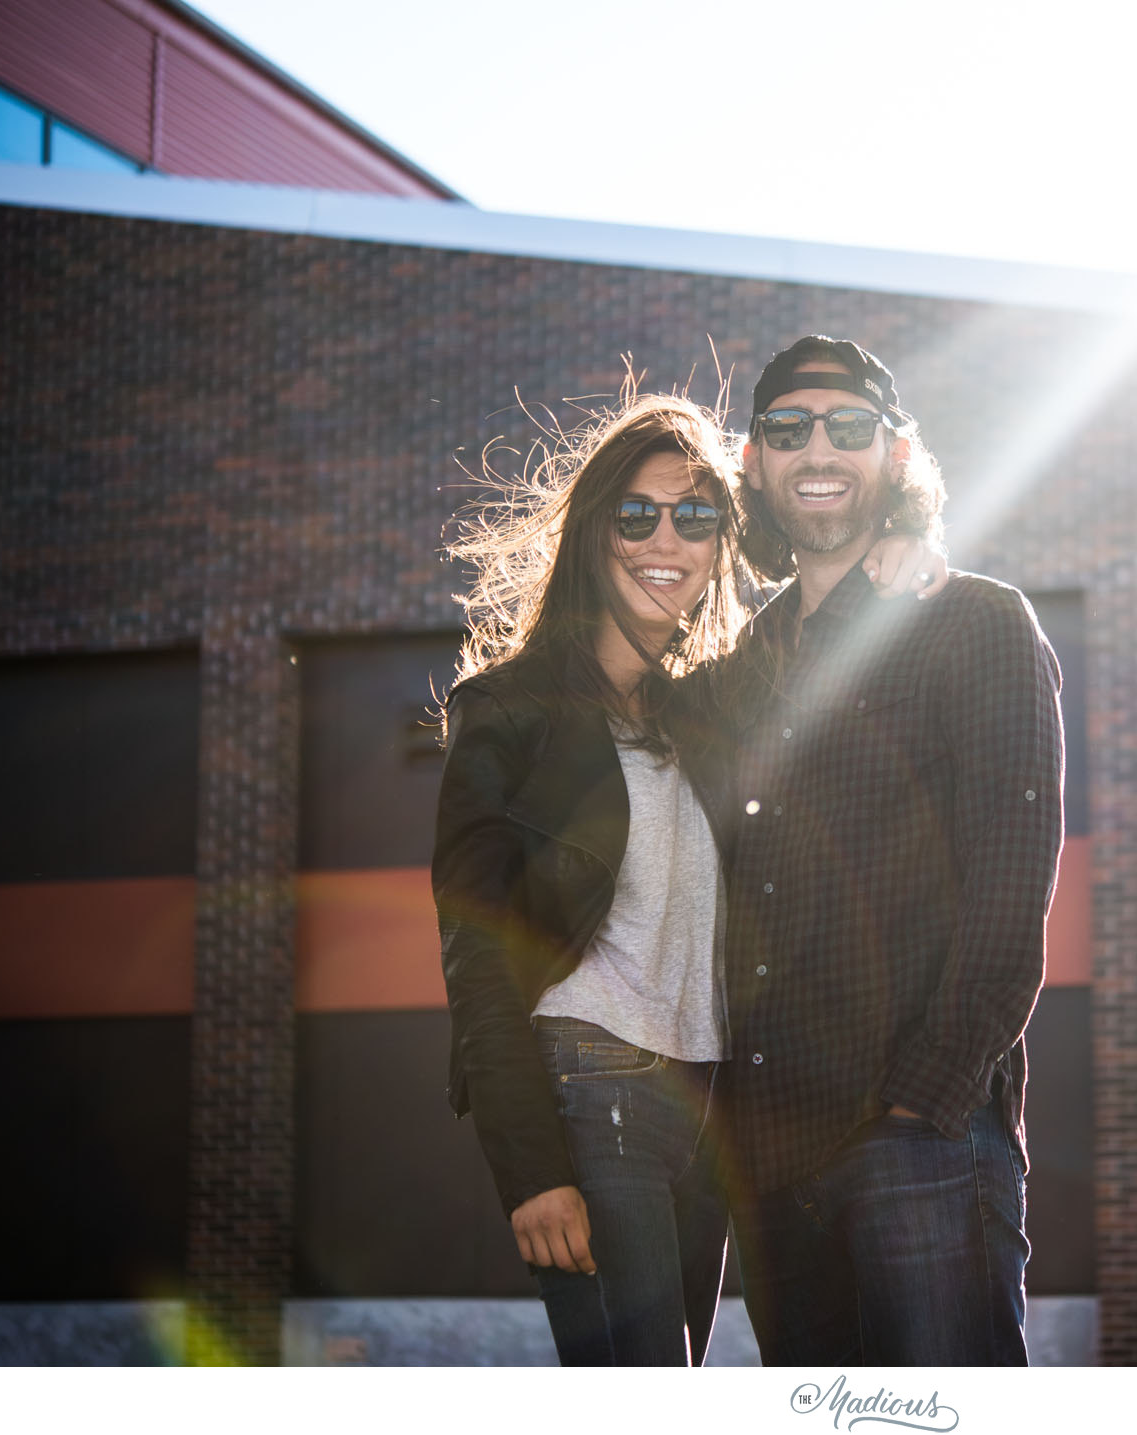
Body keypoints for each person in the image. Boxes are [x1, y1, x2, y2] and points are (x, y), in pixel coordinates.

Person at [431, 385, 943, 1365]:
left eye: (696, 517)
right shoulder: (510, 712)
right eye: (636, 513)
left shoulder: (704, 715)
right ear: (593, 534)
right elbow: (480, 957)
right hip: (595, 1093)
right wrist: (531, 1173)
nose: (665, 537)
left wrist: (905, 539)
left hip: (706, 1117)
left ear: (718, 547)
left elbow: (827, 631)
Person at [714, 336, 1066, 1366]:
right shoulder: (742, 668)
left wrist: (920, 1105)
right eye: (787, 428)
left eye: (848, 426)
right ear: (753, 462)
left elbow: (1010, 891)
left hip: (921, 1148)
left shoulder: (975, 623)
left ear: (896, 454)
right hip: (776, 1168)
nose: (816, 448)